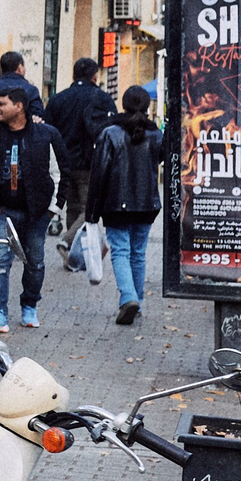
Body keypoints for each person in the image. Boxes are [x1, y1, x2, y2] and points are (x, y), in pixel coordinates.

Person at [0, 83, 70, 332]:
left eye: (1, 103)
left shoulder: (46, 136)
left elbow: (60, 173)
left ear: (19, 106)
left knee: (35, 260)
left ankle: (30, 305)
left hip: (37, 212)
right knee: (0, 259)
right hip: (0, 211)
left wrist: (53, 208)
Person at [87, 85, 164, 325]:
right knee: (138, 253)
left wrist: (92, 211)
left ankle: (128, 297)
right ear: (148, 106)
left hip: (116, 203)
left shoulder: (110, 133)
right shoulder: (155, 134)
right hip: (147, 202)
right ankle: (137, 301)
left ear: (123, 104)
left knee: (120, 251)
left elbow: (99, 173)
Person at [45, 56, 117, 259]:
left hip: (62, 163)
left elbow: (47, 130)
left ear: (73, 74)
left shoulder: (58, 99)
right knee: (90, 208)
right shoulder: (102, 98)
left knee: (73, 207)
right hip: (90, 163)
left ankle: (73, 255)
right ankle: (68, 241)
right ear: (95, 76)